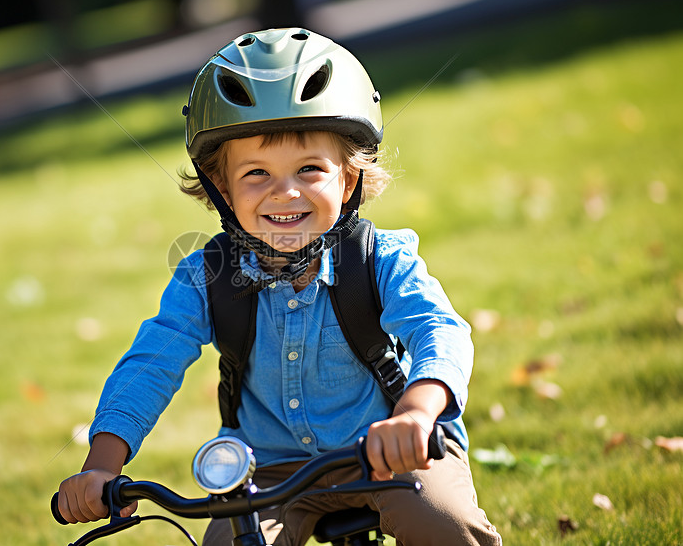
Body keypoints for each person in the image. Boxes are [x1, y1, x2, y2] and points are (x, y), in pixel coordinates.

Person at [56, 27, 501, 545]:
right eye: (256, 174)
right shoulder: (207, 277)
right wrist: (101, 465)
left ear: (348, 180)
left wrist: (417, 414)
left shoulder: (381, 259)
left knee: (446, 525)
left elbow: (439, 330)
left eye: (309, 168)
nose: (284, 192)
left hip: (392, 451)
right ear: (221, 188)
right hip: (267, 470)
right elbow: (152, 362)